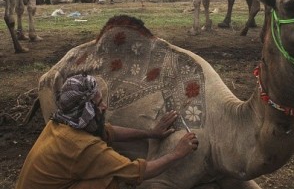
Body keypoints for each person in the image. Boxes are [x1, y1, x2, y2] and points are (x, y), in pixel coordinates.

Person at [15, 74, 198, 189]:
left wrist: (151, 133)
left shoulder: (60, 123)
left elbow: (109, 131)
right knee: (110, 181)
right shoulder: (85, 147)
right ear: (85, 109)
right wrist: (177, 153)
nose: (104, 106)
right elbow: (137, 172)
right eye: (98, 103)